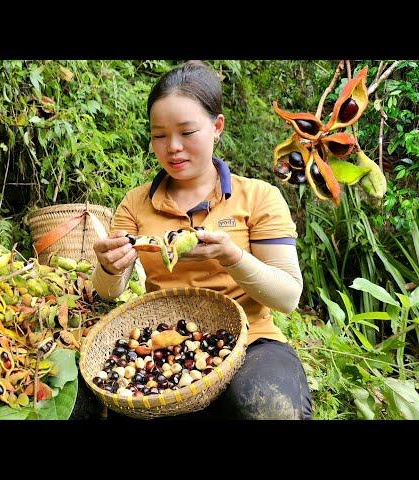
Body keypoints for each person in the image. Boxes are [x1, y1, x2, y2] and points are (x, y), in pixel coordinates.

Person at [87, 60, 312, 420]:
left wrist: (233, 257)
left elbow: (288, 296)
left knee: (270, 408)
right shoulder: (135, 203)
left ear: (217, 126)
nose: (172, 147)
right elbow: (108, 291)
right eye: (159, 135)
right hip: (165, 344)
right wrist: (108, 266)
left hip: (252, 342)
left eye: (187, 132)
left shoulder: (258, 197)